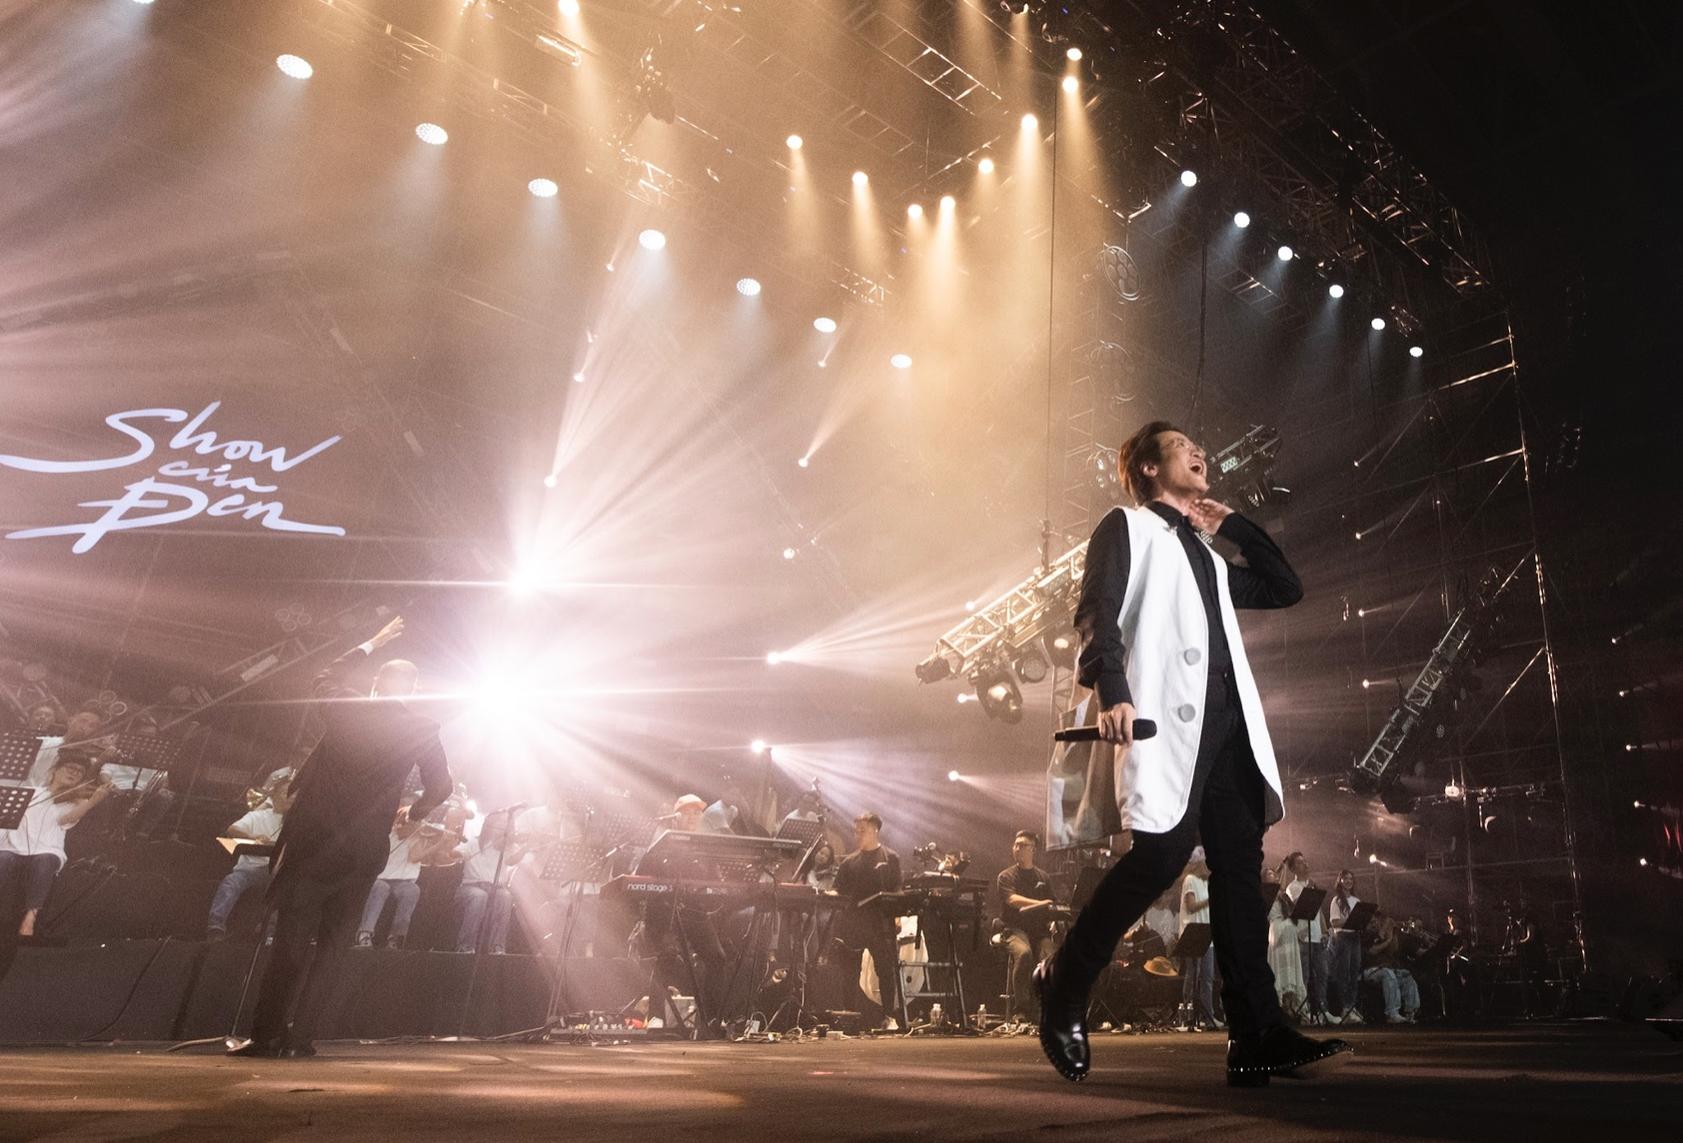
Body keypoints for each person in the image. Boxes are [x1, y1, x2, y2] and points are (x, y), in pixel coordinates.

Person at [1036, 420, 1350, 1086]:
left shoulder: (1206, 553)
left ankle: (1256, 1032)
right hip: (1167, 719)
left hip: (1228, 727)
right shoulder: (1125, 526)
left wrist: (1232, 524)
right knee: (1161, 853)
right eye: (1181, 445)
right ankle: (1065, 979)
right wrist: (1111, 689)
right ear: (1149, 468)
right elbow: (1096, 610)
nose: (1197, 450)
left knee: (1239, 870)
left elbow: (1283, 586)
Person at [233, 615, 451, 1059]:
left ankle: (267, 1036)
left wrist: (372, 642)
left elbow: (325, 675)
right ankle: (302, 1039)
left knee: (292, 941)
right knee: (333, 947)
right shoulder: (421, 727)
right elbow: (442, 786)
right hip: (365, 849)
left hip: (315, 842)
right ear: (413, 689)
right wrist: (415, 812)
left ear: (376, 683)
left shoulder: (348, 707)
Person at [0, 752, 110, 936]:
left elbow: (66, 819)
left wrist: (91, 802)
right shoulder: (32, 793)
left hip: (47, 848)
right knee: (3, 858)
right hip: (13, 847)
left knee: (45, 860)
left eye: (80, 772)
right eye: (70, 768)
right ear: (54, 771)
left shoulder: (76, 801)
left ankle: (30, 918)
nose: (74, 773)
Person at [832, 811, 903, 1031]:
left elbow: (897, 889)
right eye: (856, 831)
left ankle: (888, 1016)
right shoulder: (848, 862)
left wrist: (897, 916)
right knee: (850, 972)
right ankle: (849, 1018)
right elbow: (837, 889)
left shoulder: (891, 858)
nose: (858, 835)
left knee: (886, 970)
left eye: (862, 831)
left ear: (875, 830)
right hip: (853, 922)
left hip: (880, 922)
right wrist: (827, 895)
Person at [206, 772, 295, 941]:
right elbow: (232, 830)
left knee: (288, 887)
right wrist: (254, 838)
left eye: (294, 794)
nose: (291, 797)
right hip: (250, 869)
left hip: (277, 872)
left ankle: (269, 932)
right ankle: (215, 925)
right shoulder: (257, 816)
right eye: (286, 793)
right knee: (231, 882)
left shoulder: (295, 822)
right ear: (274, 796)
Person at [996, 830, 1059, 1024]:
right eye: (1016, 844)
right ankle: (1020, 1010)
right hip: (1014, 929)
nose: (1017, 848)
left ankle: (1046, 1009)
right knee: (1024, 954)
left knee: (1052, 958)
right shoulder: (1006, 876)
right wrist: (1041, 903)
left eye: (1023, 845)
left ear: (1033, 850)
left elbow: (1053, 905)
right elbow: (1012, 900)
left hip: (1039, 932)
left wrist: (1054, 920)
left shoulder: (1043, 877)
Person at [355, 806, 425, 949]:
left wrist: (438, 841)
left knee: (412, 890)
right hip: (381, 878)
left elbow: (416, 857)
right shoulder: (388, 835)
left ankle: (396, 937)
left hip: (403, 882)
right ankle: (365, 933)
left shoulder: (416, 838)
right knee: (380, 887)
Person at [452, 812, 517, 954]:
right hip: (471, 887)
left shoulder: (508, 847)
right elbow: (454, 853)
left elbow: (513, 860)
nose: (504, 825)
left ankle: (497, 947)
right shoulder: (474, 842)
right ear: (491, 824)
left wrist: (527, 847)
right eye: (501, 822)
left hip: (497, 888)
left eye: (506, 823)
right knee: (479, 896)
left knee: (505, 897)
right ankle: (465, 946)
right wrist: (456, 852)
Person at [1176, 849, 1219, 1030]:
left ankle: (1208, 1016)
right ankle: (1188, 1015)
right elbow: (1191, 906)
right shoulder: (1190, 880)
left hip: (1206, 934)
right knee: (1192, 975)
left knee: (1207, 977)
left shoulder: (1208, 882)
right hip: (1192, 934)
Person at [1362, 912, 1420, 1024]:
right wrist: (1387, 940)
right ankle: (1392, 1013)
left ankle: (1410, 1013)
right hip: (1369, 970)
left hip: (1386, 970)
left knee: (1407, 975)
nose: (1374, 925)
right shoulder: (1366, 935)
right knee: (1388, 973)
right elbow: (1372, 951)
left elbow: (1392, 950)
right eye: (1371, 923)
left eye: (1375, 922)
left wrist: (1392, 934)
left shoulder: (1382, 936)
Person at [1264, 862, 1305, 1018]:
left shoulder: (1283, 895)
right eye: (1269, 874)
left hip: (1289, 932)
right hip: (1277, 931)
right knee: (1280, 968)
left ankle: (1290, 1005)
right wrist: (1282, 871)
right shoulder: (1264, 894)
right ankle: (1279, 1006)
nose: (1273, 875)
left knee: (1290, 968)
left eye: (1274, 874)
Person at [1324, 870, 1363, 1024]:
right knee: (1344, 973)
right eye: (1345, 878)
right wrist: (1351, 920)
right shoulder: (1336, 900)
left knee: (1354, 973)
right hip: (1343, 937)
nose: (1348, 881)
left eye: (1351, 878)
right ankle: (1345, 1008)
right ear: (1340, 881)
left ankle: (1351, 1006)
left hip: (1355, 937)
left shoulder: (1356, 900)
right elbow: (1334, 922)